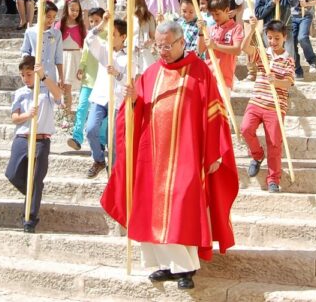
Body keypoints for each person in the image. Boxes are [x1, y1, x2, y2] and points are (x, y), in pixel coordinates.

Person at [101, 21, 239, 290]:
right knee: (150, 208)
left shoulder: (200, 71)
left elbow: (214, 113)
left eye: (167, 46)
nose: (162, 51)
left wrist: (214, 153)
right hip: (152, 155)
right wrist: (132, 100)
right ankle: (164, 264)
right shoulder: (151, 73)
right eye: (158, 46)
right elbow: (135, 113)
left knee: (182, 207)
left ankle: (185, 267)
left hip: (187, 155)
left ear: (181, 43)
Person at [5, 57, 63, 233]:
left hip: (41, 139)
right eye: (23, 75)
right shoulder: (20, 93)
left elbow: (59, 95)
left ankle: (29, 219)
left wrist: (44, 76)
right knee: (12, 173)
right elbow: (15, 118)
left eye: (29, 74)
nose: (26, 78)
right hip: (22, 137)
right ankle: (34, 195)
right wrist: (27, 115)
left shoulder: (46, 90)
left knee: (36, 179)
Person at [240, 19, 294, 192]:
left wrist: (276, 81)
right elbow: (244, 47)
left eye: (277, 38)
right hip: (256, 101)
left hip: (275, 106)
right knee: (245, 128)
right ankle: (257, 155)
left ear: (284, 37)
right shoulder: (263, 53)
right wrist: (252, 30)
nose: (273, 41)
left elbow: (288, 83)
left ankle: (273, 179)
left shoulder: (288, 60)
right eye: (270, 38)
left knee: (274, 143)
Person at [83, 16, 128, 178]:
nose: (110, 37)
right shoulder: (104, 50)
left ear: (123, 37)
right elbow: (89, 39)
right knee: (91, 129)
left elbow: (130, 79)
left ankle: (114, 173)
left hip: (118, 100)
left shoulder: (129, 55)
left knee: (115, 138)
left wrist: (117, 74)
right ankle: (99, 159)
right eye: (109, 33)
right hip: (101, 96)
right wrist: (103, 23)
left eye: (114, 34)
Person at [67, 8, 105, 152]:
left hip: (102, 81)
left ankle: (101, 140)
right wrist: (81, 67)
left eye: (97, 20)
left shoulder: (109, 36)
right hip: (88, 78)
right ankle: (77, 137)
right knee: (82, 107)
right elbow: (85, 53)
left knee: (101, 113)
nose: (94, 23)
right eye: (91, 21)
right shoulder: (90, 35)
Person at [202, 0, 244, 96]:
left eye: (217, 14)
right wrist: (200, 32)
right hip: (208, 76)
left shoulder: (236, 28)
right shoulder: (211, 29)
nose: (215, 17)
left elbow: (237, 50)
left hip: (224, 79)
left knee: (222, 105)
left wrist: (215, 46)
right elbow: (200, 49)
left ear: (227, 10)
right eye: (212, 14)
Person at [284, 0, 316, 79]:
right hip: (293, 16)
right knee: (292, 43)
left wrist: (307, 3)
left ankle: (312, 60)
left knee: (302, 37)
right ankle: (297, 70)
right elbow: (290, 2)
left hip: (305, 15)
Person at [21, 2, 64, 84]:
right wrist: (29, 61)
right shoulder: (30, 32)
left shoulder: (57, 34)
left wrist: (61, 76)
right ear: (40, 14)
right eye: (48, 16)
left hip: (50, 76)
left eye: (54, 17)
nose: (51, 20)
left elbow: (59, 57)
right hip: (34, 76)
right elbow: (25, 51)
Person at [57, 0, 85, 117]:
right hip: (63, 57)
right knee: (63, 86)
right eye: (72, 9)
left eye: (77, 10)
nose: (75, 13)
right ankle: (64, 112)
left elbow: (85, 43)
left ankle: (70, 112)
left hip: (75, 57)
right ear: (66, 9)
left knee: (71, 86)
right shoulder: (60, 25)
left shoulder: (80, 26)